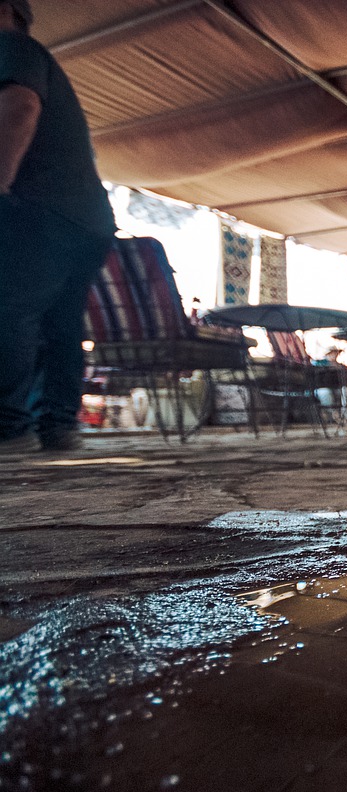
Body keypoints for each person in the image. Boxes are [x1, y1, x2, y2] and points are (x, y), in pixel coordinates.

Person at [0, 0, 116, 454]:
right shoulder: (27, 52)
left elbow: (20, 106)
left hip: (41, 206)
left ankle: (8, 428)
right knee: (61, 322)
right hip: (88, 218)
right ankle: (58, 425)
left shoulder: (11, 46)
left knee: (10, 308)